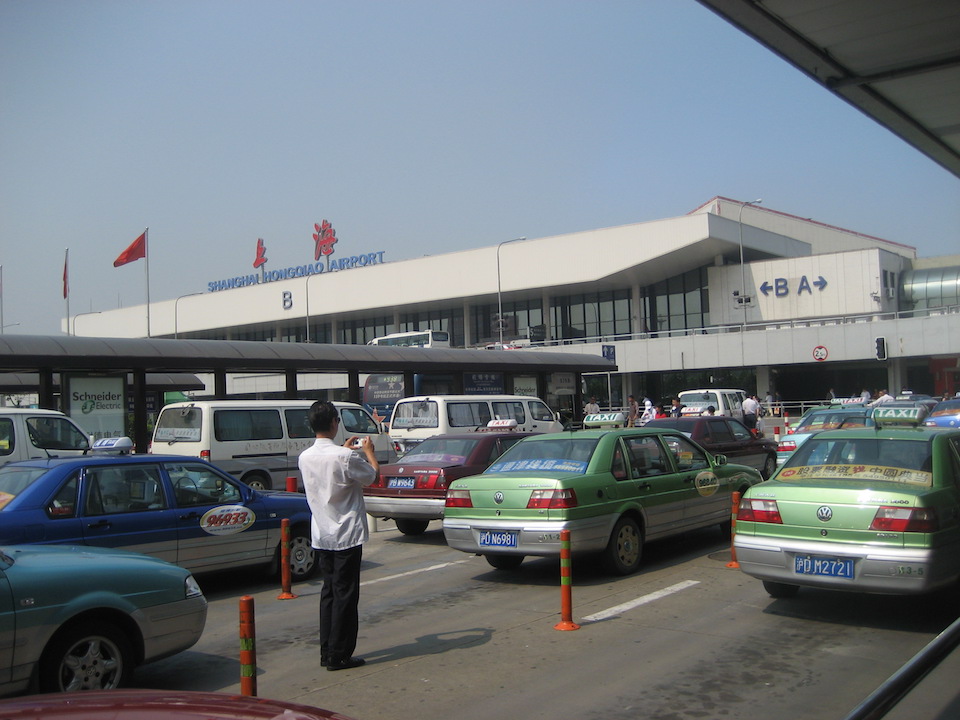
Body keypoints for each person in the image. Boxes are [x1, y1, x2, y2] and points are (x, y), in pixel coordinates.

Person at [298, 400, 379, 672]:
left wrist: (344, 453)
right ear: (334, 423)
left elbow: (331, 469)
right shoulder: (345, 457)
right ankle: (339, 655)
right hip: (346, 535)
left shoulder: (305, 457)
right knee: (346, 596)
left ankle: (327, 651)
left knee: (329, 593)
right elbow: (372, 476)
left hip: (322, 534)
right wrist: (368, 452)